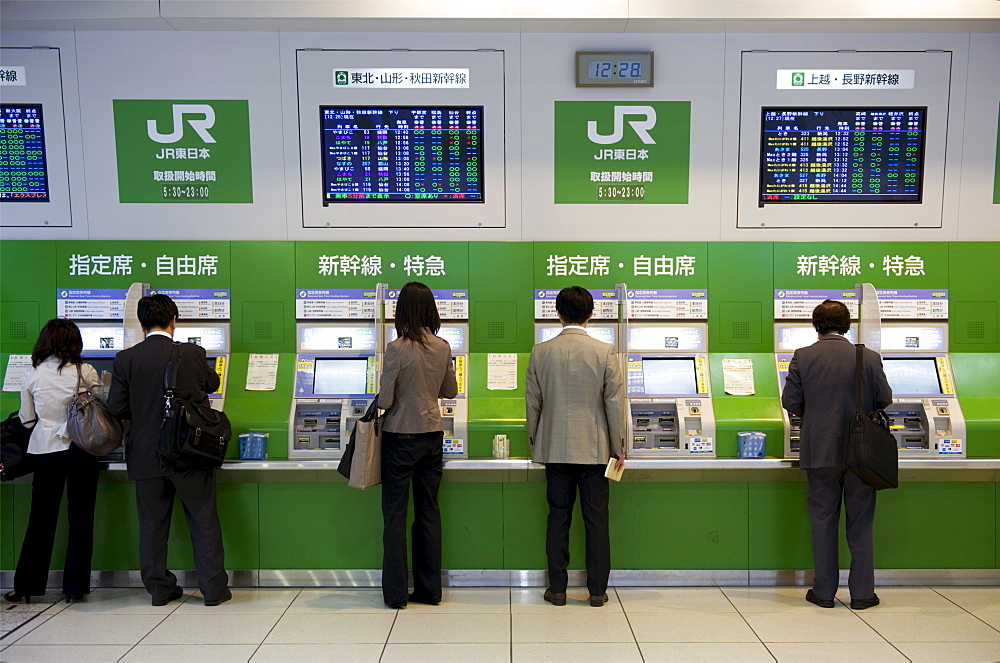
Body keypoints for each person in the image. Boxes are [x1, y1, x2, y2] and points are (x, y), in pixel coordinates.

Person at [107, 294, 231, 607]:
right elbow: (213, 383)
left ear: (141, 323)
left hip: (146, 454)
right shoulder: (192, 353)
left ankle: (160, 590)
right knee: (203, 520)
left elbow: (117, 407)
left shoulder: (126, 359)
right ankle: (214, 590)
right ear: (173, 321)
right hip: (190, 451)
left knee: (152, 526)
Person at [782, 299, 892, 611]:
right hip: (862, 455)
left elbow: (791, 400)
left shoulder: (804, 356)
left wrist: (815, 418)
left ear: (816, 325)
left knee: (822, 521)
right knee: (860, 523)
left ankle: (824, 592)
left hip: (820, 452)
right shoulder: (869, 357)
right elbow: (884, 398)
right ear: (847, 324)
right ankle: (862, 594)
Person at [525, 286, 626, 608]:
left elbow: (533, 405)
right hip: (596, 450)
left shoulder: (540, 352)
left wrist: (535, 444)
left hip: (554, 449)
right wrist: (619, 447)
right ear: (591, 313)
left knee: (558, 517)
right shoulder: (605, 352)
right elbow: (614, 405)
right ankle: (597, 592)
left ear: (557, 313)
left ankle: (557, 590)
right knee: (597, 521)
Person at [5, 319, 101, 604]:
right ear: (75, 342)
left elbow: (27, 419)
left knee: (41, 520)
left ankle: (26, 587)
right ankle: (75, 588)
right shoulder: (87, 372)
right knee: (81, 519)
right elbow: (99, 410)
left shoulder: (32, 374)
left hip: (46, 451)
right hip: (83, 450)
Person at [379, 282, 458, 609]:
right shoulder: (443, 346)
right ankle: (429, 590)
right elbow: (450, 391)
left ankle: (396, 595)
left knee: (395, 516)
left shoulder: (397, 348)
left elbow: (385, 399)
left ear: (403, 310)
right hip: (431, 437)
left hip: (400, 437)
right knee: (428, 513)